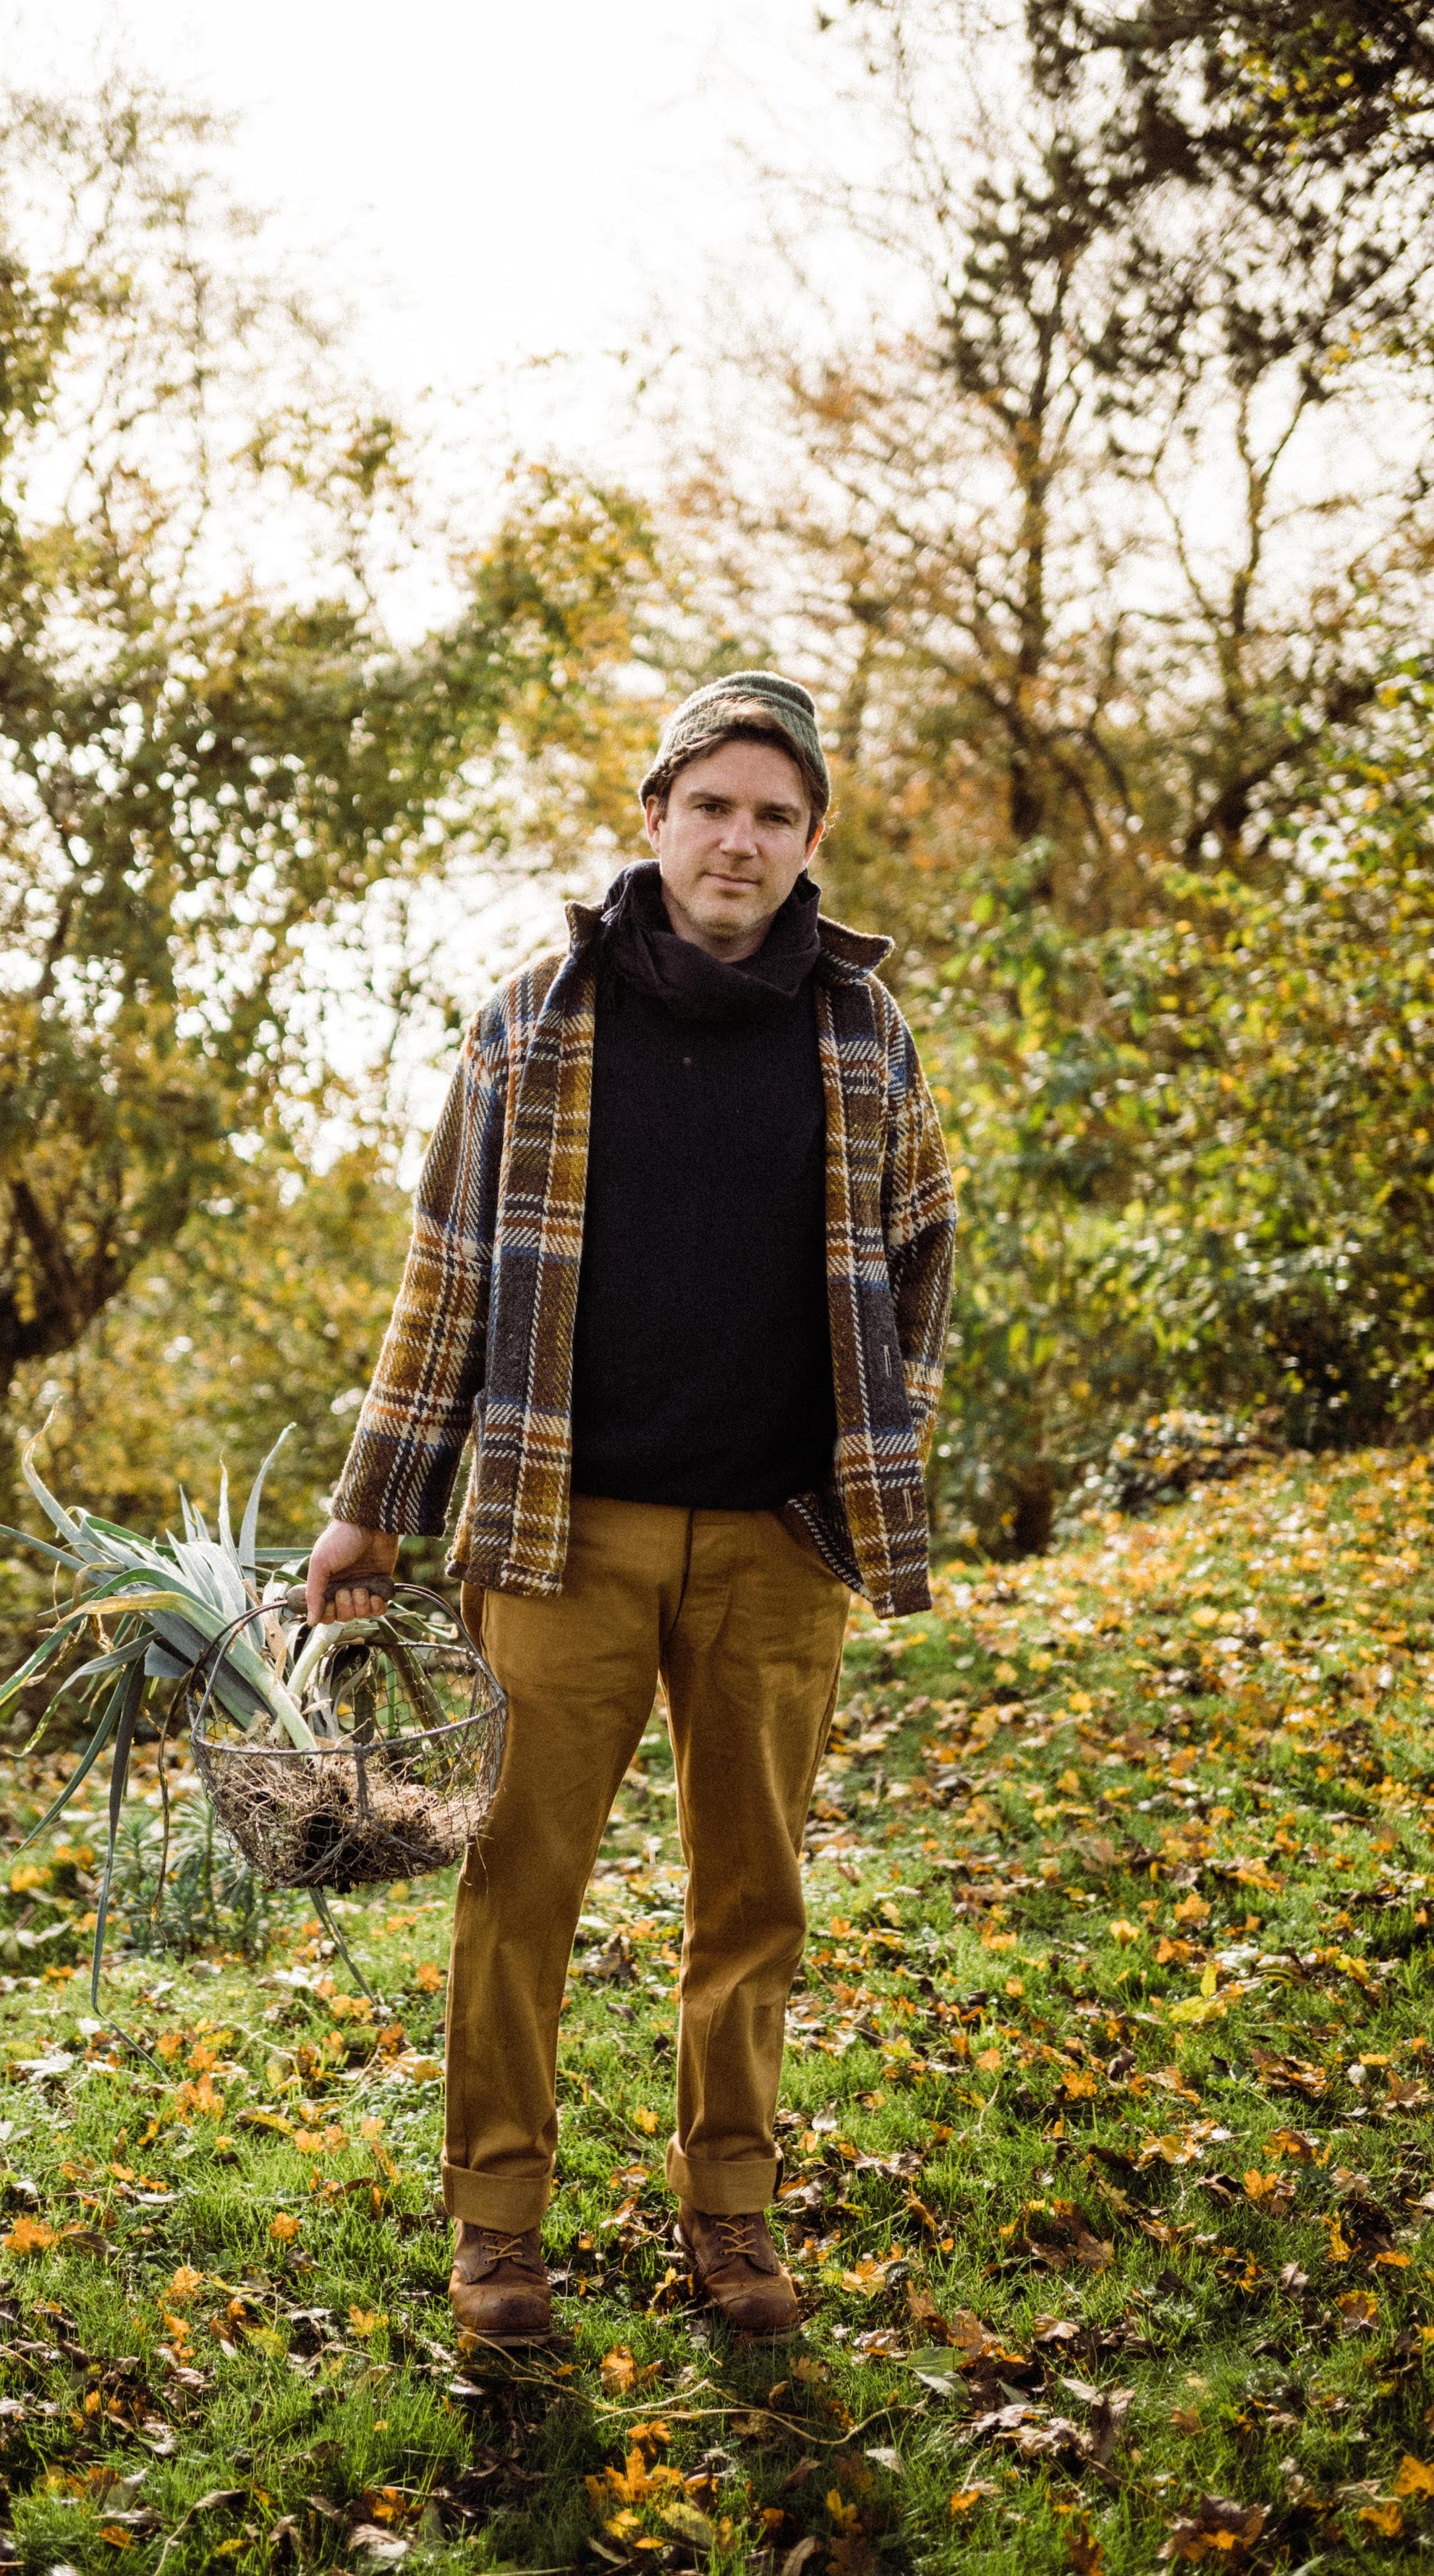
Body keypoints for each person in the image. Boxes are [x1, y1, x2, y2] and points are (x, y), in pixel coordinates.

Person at [304, 672, 956, 2339]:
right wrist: (372, 1502)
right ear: (651, 812)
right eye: (713, 804)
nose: (739, 839)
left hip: (774, 1542)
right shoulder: (532, 1017)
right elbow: (444, 1273)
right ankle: (496, 2227)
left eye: (775, 814)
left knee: (752, 1893)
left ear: (809, 839)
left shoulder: (861, 1033)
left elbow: (919, 1267)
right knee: (517, 1882)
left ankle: (730, 2214)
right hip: (556, 1529)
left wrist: (873, 1463)